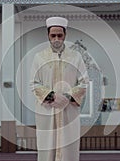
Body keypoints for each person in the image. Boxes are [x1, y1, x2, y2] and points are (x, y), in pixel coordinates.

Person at [30, 17, 89, 161]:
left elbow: (84, 83)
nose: (56, 39)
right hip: (47, 110)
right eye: (53, 35)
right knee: (47, 146)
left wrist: (67, 97)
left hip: (69, 110)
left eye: (60, 35)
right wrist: (52, 96)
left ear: (65, 35)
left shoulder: (76, 57)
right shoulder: (39, 57)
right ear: (48, 36)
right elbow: (34, 83)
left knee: (68, 148)